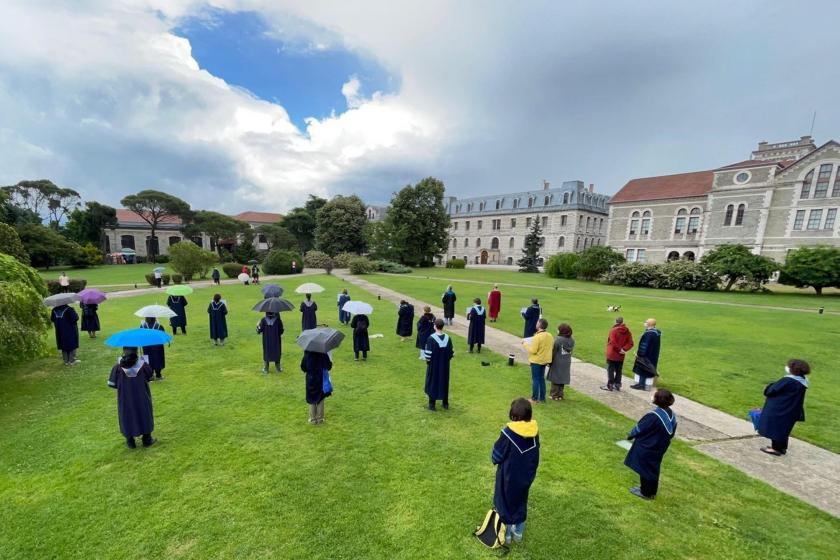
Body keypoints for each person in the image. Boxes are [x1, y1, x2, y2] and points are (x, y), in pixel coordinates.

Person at [491, 398, 540, 544]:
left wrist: (494, 459)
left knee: (505, 503)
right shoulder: (534, 433)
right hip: (525, 476)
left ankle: (506, 536)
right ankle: (518, 533)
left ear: (513, 416)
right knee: (520, 502)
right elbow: (536, 456)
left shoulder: (508, 433)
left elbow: (498, 453)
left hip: (508, 476)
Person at [624, 389, 677, 500]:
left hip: (648, 446)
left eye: (654, 394)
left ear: (658, 399)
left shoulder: (654, 415)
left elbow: (640, 428)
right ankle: (651, 491)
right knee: (653, 467)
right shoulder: (671, 414)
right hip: (660, 447)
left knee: (645, 468)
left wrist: (630, 435)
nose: (652, 395)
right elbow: (672, 432)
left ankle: (645, 493)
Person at [758, 359, 811, 456]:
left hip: (780, 408)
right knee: (784, 428)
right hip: (792, 409)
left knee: (775, 428)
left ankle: (776, 449)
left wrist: (770, 385)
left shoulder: (787, 381)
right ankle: (782, 448)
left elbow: (770, 391)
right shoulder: (803, 381)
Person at [108, 348, 156, 448]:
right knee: (144, 413)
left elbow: (112, 384)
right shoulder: (143, 366)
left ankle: (130, 441)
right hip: (142, 396)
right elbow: (151, 377)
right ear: (136, 351)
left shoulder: (117, 368)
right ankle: (147, 439)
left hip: (125, 398)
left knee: (126, 415)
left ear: (124, 351)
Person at [423, 318, 454, 410]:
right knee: (444, 382)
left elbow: (428, 354)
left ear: (435, 326)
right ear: (442, 326)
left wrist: (428, 362)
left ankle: (432, 405)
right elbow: (451, 353)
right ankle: (445, 404)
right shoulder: (448, 338)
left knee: (433, 382)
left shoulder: (431, 338)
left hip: (434, 365)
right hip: (445, 366)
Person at [522, 318, 552, 404]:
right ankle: (542, 398)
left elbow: (533, 350)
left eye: (537, 323)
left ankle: (534, 398)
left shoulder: (537, 337)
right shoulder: (549, 335)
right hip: (545, 360)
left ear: (539, 325)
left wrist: (525, 344)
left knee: (535, 379)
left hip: (536, 360)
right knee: (541, 378)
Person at [601, 317, 634, 392]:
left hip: (612, 353)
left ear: (615, 322)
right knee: (619, 370)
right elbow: (631, 343)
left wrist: (620, 349)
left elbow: (612, 341)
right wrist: (624, 349)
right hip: (621, 355)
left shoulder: (613, 331)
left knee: (610, 370)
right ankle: (617, 384)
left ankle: (610, 385)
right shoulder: (628, 331)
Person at [301, 349, 332, 424]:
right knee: (321, 397)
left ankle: (313, 419)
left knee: (311, 397)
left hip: (311, 378)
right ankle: (320, 418)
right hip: (320, 378)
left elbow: (303, 367)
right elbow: (329, 366)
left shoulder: (307, 353)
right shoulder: (323, 352)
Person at [631, 318, 661, 391]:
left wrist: (639, 354)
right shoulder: (656, 332)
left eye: (646, 322)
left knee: (642, 368)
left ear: (649, 324)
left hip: (646, 356)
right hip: (653, 355)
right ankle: (644, 385)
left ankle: (641, 384)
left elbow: (644, 346)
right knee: (647, 369)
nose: (645, 323)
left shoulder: (649, 334)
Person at [547, 323, 575, 400]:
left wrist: (549, 361)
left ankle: (554, 395)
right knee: (562, 378)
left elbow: (553, 351)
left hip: (557, 361)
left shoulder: (558, 340)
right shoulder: (572, 340)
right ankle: (560, 394)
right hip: (566, 361)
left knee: (555, 378)